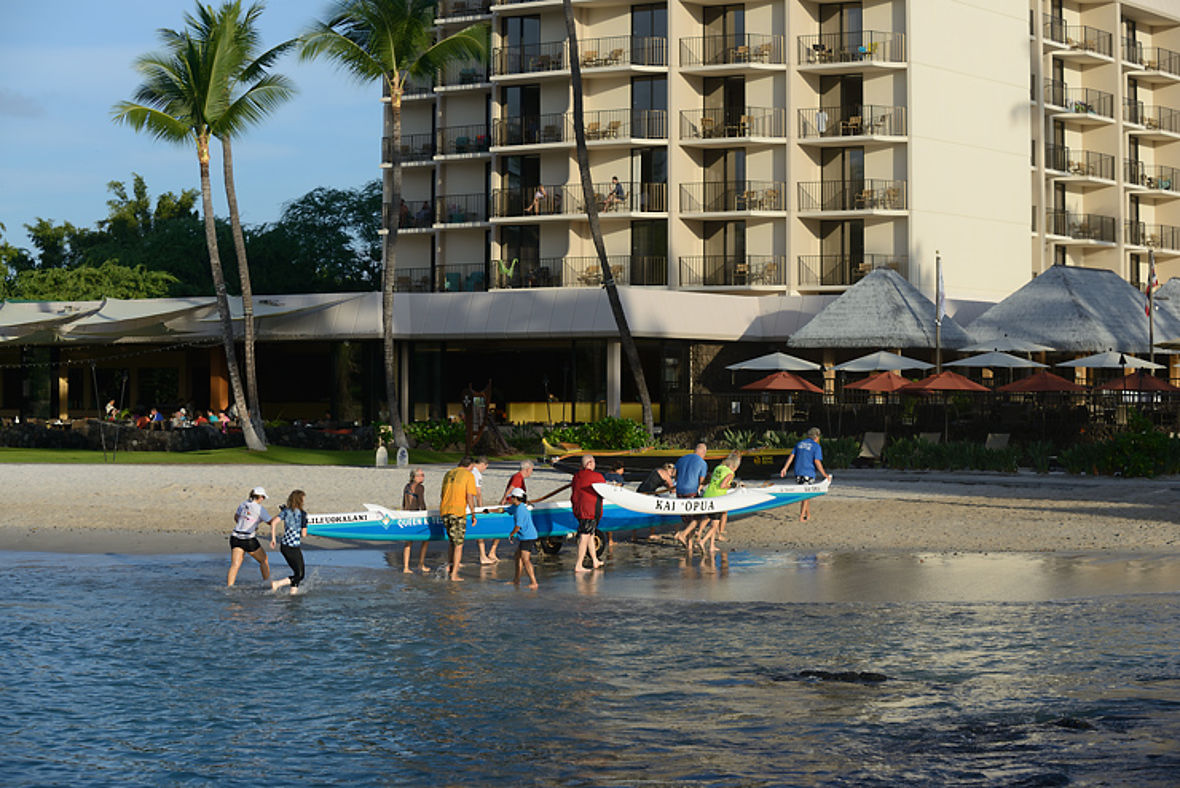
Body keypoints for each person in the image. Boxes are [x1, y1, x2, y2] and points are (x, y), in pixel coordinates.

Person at [227, 486, 279, 587]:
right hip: (248, 539)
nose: (263, 500)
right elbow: (270, 522)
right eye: (263, 497)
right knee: (264, 560)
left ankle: (229, 588)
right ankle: (268, 584)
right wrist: (282, 514)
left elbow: (236, 517)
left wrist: (247, 524)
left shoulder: (243, 504)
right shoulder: (259, 509)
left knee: (235, 565)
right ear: (260, 497)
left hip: (235, 537)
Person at [779, 427, 832, 522]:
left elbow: (791, 457)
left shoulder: (799, 444)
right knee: (806, 495)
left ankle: (807, 514)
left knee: (806, 494)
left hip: (798, 472)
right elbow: (817, 461)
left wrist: (785, 468)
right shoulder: (816, 446)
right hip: (808, 472)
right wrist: (824, 474)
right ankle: (801, 516)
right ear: (817, 437)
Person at [439, 457, 479, 581]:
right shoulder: (468, 475)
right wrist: (473, 513)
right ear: (470, 465)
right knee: (459, 544)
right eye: (472, 467)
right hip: (457, 512)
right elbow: (469, 496)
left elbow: (442, 494)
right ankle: (454, 575)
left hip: (445, 510)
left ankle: (451, 568)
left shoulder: (449, 473)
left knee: (452, 541)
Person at [698, 452, 741, 552]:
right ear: (734, 465)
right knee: (715, 525)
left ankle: (712, 545)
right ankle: (703, 541)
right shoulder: (730, 473)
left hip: (707, 494)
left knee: (710, 519)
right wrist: (731, 486)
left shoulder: (718, 467)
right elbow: (722, 485)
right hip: (717, 498)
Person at [570, 454, 606, 572]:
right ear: (590, 463)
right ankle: (578, 565)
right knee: (585, 536)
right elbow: (604, 490)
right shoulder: (597, 476)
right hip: (590, 511)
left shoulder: (576, 476)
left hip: (579, 509)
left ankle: (595, 560)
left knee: (590, 534)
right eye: (594, 462)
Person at [270, 489, 308, 594]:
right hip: (293, 547)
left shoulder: (286, 511)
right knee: (300, 575)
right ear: (300, 500)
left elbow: (273, 523)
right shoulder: (303, 514)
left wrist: (273, 539)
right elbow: (303, 534)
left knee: (297, 573)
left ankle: (293, 594)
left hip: (284, 546)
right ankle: (277, 584)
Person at [673, 442, 710, 547]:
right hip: (691, 491)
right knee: (696, 518)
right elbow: (701, 481)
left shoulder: (681, 459)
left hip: (679, 490)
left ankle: (689, 544)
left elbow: (675, 475)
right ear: (703, 452)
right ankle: (683, 535)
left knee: (687, 519)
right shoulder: (702, 463)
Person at [468, 456, 500, 565]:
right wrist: (480, 507)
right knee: (479, 529)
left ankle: (453, 560)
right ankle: (482, 556)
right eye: (485, 468)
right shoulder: (477, 474)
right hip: (470, 505)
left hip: (463, 503)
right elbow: (478, 492)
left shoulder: (469, 471)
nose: (484, 470)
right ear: (483, 465)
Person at [506, 487, 539, 588]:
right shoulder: (516, 506)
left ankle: (534, 582)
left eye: (512, 497)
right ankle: (516, 580)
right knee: (518, 557)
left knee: (525, 559)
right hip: (525, 536)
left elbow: (517, 526)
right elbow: (506, 510)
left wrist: (511, 534)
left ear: (515, 498)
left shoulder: (520, 509)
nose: (510, 499)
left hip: (528, 536)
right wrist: (487, 510)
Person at [400, 467, 430, 573]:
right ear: (415, 477)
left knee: (408, 542)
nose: (423, 477)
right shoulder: (420, 487)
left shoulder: (407, 486)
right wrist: (426, 514)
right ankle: (421, 564)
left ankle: (406, 567)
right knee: (426, 539)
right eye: (421, 475)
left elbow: (404, 503)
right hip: (416, 515)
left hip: (406, 515)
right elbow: (421, 502)